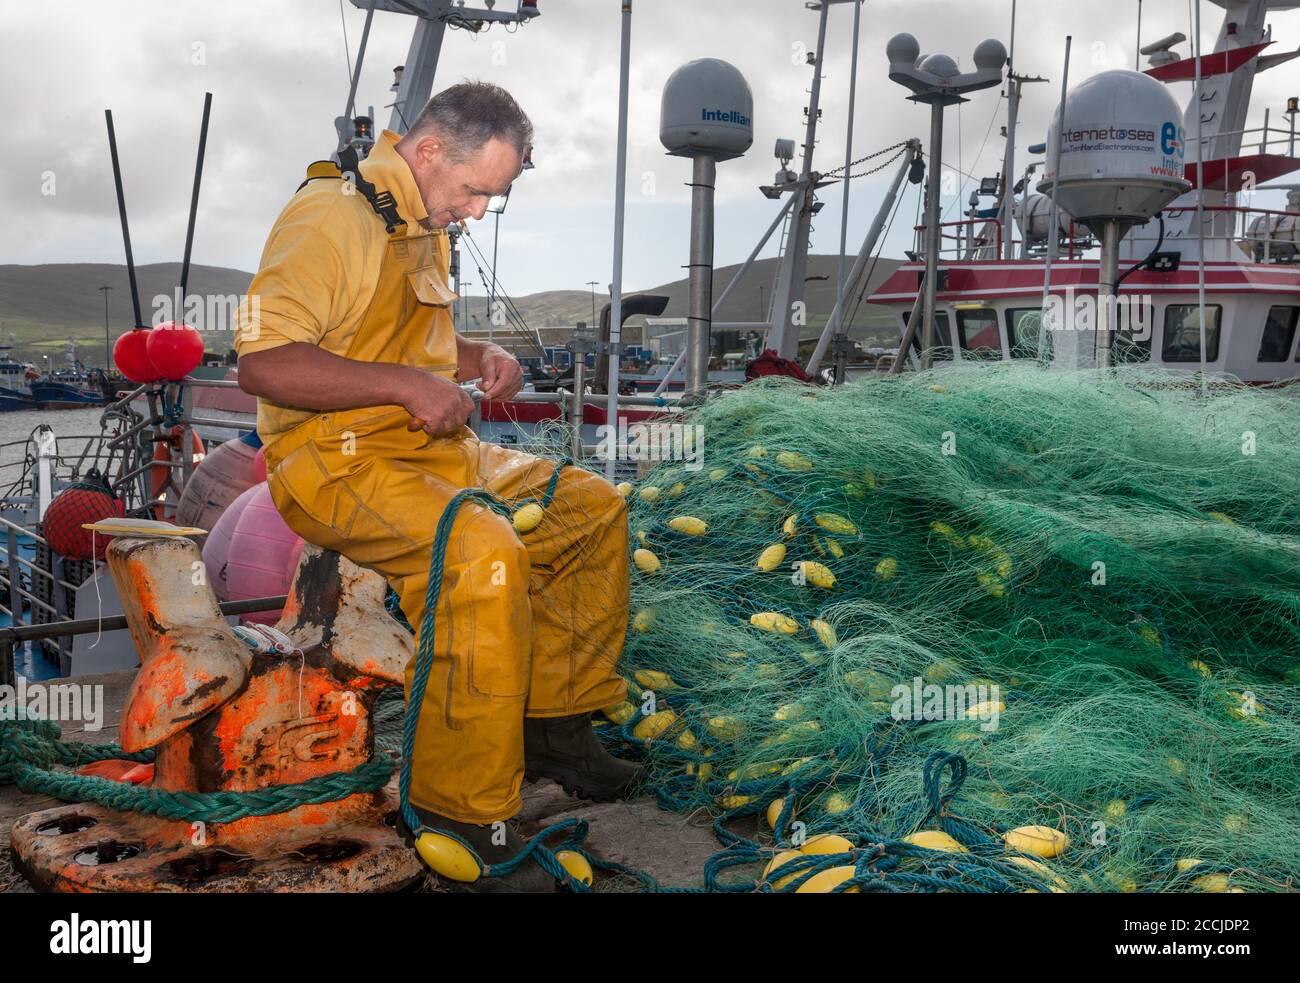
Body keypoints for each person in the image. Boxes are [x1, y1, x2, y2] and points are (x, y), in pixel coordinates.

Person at [234, 82, 637, 892]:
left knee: (591, 510)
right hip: (332, 460)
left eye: (495, 196)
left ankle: (554, 727)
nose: (480, 212)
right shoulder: (331, 217)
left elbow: (404, 336)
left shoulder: (422, 217)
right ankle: (458, 816)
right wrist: (405, 386)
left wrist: (473, 354)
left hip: (429, 452)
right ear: (426, 154)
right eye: (476, 191)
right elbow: (265, 363)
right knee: (481, 553)